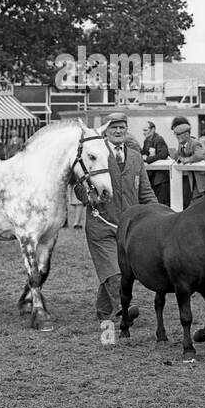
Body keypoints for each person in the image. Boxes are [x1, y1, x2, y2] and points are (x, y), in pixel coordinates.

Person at [80, 112, 155, 322]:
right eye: (113, 127)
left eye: (122, 127)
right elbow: (79, 185)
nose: (118, 131)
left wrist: (161, 214)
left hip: (129, 227)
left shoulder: (135, 157)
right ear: (105, 130)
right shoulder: (95, 154)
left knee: (118, 267)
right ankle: (125, 307)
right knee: (114, 269)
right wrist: (89, 195)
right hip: (101, 223)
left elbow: (145, 191)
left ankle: (104, 311)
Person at [169, 117, 205, 207]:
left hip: (202, 180)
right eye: (176, 134)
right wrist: (176, 157)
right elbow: (179, 157)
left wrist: (187, 160)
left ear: (187, 134)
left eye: (179, 134)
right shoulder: (181, 144)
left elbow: (199, 155)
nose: (176, 137)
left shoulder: (195, 143)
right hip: (192, 178)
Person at [141, 121, 171, 204]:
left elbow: (163, 154)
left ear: (153, 129)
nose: (143, 133)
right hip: (153, 176)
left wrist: (148, 159)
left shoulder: (159, 139)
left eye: (145, 130)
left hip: (161, 177)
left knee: (162, 201)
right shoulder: (146, 141)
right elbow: (144, 152)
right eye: (143, 131)